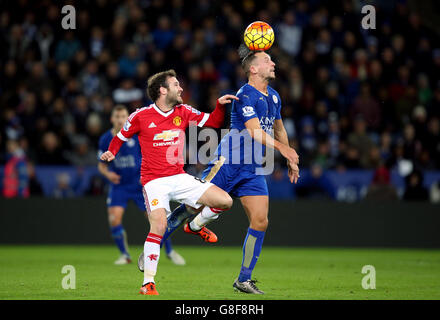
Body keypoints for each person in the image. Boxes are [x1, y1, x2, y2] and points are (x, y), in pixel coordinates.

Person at [163, 46, 300, 294]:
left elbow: (278, 128)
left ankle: (243, 280)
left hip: (253, 169)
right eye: (268, 60)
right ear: (253, 68)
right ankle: (154, 244)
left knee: (260, 221)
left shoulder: (275, 96)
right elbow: (255, 131)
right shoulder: (245, 94)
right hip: (227, 163)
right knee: (193, 206)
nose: (274, 64)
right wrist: (284, 150)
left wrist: (290, 155)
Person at [100, 70, 238, 295]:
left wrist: (220, 105)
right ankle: (148, 283)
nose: (181, 88)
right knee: (159, 226)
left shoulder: (183, 112)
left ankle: (194, 226)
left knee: (225, 201)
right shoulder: (140, 116)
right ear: (162, 90)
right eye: (176, 84)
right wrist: (111, 152)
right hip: (154, 181)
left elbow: (212, 121)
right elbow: (120, 136)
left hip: (179, 177)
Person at [98, 105, 185, 266]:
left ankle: (170, 251)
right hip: (119, 186)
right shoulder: (105, 139)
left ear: (127, 118)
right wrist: (107, 174)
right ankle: (125, 255)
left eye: (123, 116)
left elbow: (149, 155)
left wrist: (146, 175)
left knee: (158, 221)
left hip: (140, 185)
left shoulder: (136, 136)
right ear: (112, 119)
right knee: (114, 219)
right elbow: (101, 165)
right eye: (117, 117)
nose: (119, 119)